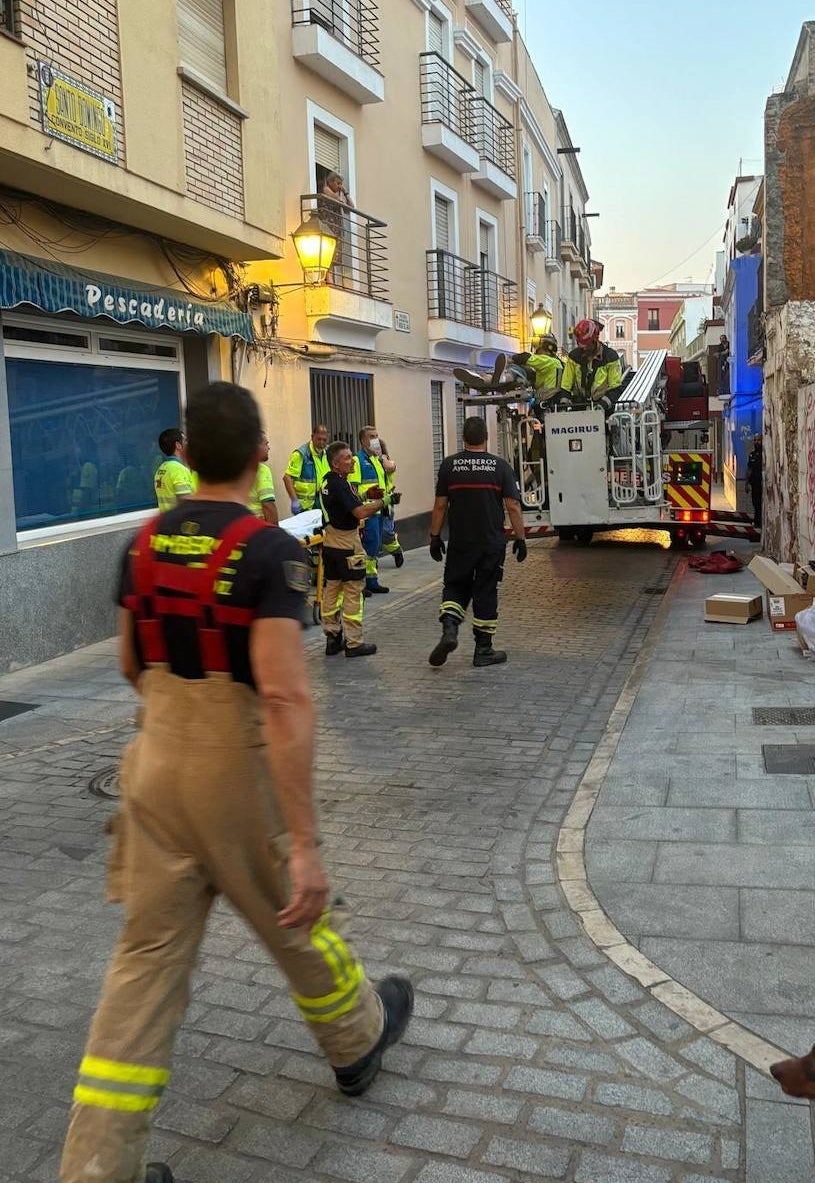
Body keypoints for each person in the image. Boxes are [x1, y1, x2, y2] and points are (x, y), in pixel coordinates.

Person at [59, 383, 413, 1183]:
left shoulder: (140, 547)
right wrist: (308, 846)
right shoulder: (267, 552)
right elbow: (285, 697)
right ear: (261, 457)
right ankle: (356, 1042)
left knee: (144, 961)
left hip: (152, 768)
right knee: (297, 916)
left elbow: (127, 665)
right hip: (232, 775)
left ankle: (94, 1169)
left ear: (183, 456)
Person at [428, 416, 527, 669]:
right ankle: (483, 650)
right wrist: (520, 537)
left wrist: (434, 536)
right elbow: (513, 506)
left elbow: (440, 505)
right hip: (490, 543)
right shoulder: (500, 467)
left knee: (455, 585)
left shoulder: (449, 466)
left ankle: (450, 629)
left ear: (463, 437)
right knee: (485, 591)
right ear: (486, 437)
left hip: (461, 542)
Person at [320, 440, 385, 657]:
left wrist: (367, 497)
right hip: (347, 543)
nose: (352, 461)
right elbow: (358, 513)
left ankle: (332, 637)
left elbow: (344, 505)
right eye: (347, 458)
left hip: (329, 543)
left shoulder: (327, 482)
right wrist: (383, 502)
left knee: (331, 589)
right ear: (335, 464)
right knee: (353, 592)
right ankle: (354, 643)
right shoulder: (340, 483)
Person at [350, 425, 390, 594]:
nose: (375, 439)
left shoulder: (375, 459)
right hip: (367, 512)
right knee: (365, 547)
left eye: (376, 436)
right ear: (362, 441)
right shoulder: (358, 460)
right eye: (371, 436)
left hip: (380, 509)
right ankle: (361, 582)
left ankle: (372, 580)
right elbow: (353, 488)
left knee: (374, 546)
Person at [559, 319, 622, 416]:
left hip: (603, 409)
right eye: (581, 345)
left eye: (586, 345)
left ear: (595, 340)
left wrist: (603, 405)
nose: (583, 348)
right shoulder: (574, 357)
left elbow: (615, 388)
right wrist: (563, 404)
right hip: (579, 407)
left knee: (608, 430)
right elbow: (566, 384)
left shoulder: (610, 357)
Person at [283, 424, 330, 515]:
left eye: (324, 440)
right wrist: (294, 500)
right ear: (312, 437)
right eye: (319, 439)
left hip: (323, 501)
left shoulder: (328, 452)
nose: (321, 442)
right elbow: (287, 478)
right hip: (305, 506)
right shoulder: (301, 454)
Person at [378, 437, 404, 568]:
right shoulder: (365, 462)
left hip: (387, 503)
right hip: (371, 503)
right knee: (373, 534)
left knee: (386, 532)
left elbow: (391, 467)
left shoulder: (386, 461)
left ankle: (396, 550)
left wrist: (381, 458)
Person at [153, 428, 194, 512]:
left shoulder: (161, 469)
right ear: (178, 445)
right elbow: (186, 505)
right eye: (185, 441)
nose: (188, 444)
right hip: (179, 522)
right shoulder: (178, 470)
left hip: (166, 521)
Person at [248, 430, 279, 524]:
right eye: (266, 444)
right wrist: (276, 535)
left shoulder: (238, 469)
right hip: (257, 528)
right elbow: (268, 506)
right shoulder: (261, 470)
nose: (268, 448)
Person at [745, 433, 763, 526]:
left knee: (760, 504)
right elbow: (749, 469)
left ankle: (758, 522)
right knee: (755, 503)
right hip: (754, 484)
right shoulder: (752, 455)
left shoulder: (764, 455)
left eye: (758, 440)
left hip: (762, 484)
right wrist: (746, 483)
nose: (756, 442)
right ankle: (757, 521)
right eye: (755, 440)